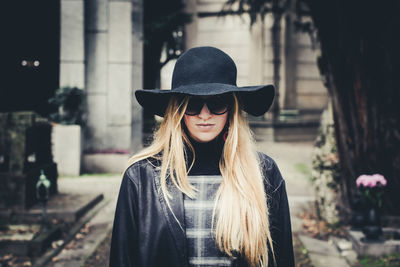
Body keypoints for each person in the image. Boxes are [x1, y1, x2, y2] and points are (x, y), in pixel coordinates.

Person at [109, 46, 294, 267]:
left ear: (232, 108)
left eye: (217, 103)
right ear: (177, 109)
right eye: (193, 104)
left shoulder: (264, 172)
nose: (204, 115)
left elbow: (282, 258)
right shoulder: (141, 177)